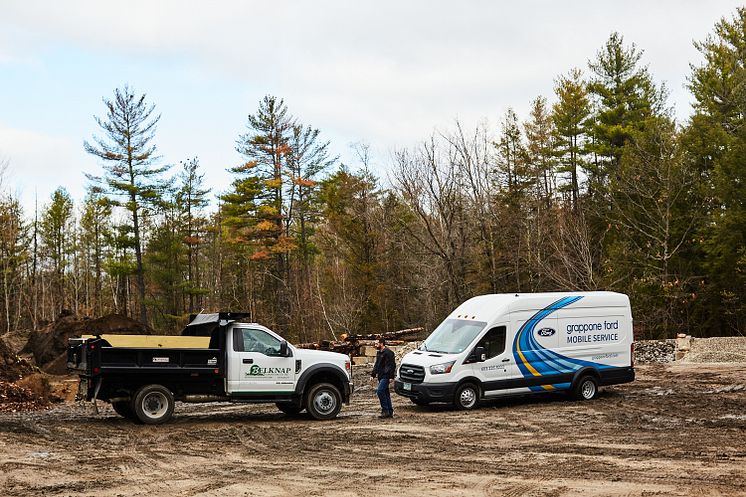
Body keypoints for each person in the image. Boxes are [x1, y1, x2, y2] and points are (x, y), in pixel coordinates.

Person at [370, 338, 396, 418]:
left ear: (381, 344)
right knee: (385, 393)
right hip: (381, 375)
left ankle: (385, 410)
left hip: (386, 375)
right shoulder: (379, 353)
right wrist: (373, 374)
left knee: (380, 391)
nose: (375, 345)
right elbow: (377, 364)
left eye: (377, 343)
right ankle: (389, 411)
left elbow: (392, 365)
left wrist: (391, 376)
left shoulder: (389, 353)